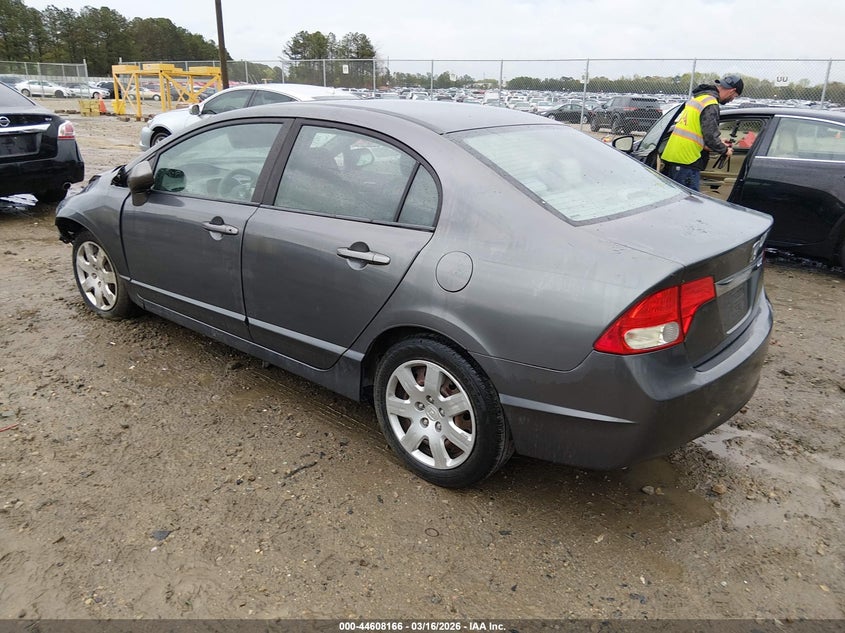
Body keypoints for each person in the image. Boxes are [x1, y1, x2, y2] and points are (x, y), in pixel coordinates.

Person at [660, 74, 744, 190]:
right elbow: (710, 136)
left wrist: (718, 141)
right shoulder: (711, 103)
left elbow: (696, 130)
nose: (732, 99)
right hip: (687, 159)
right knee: (689, 199)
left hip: (674, 156)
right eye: (735, 96)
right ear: (732, 91)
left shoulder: (699, 99)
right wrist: (725, 150)